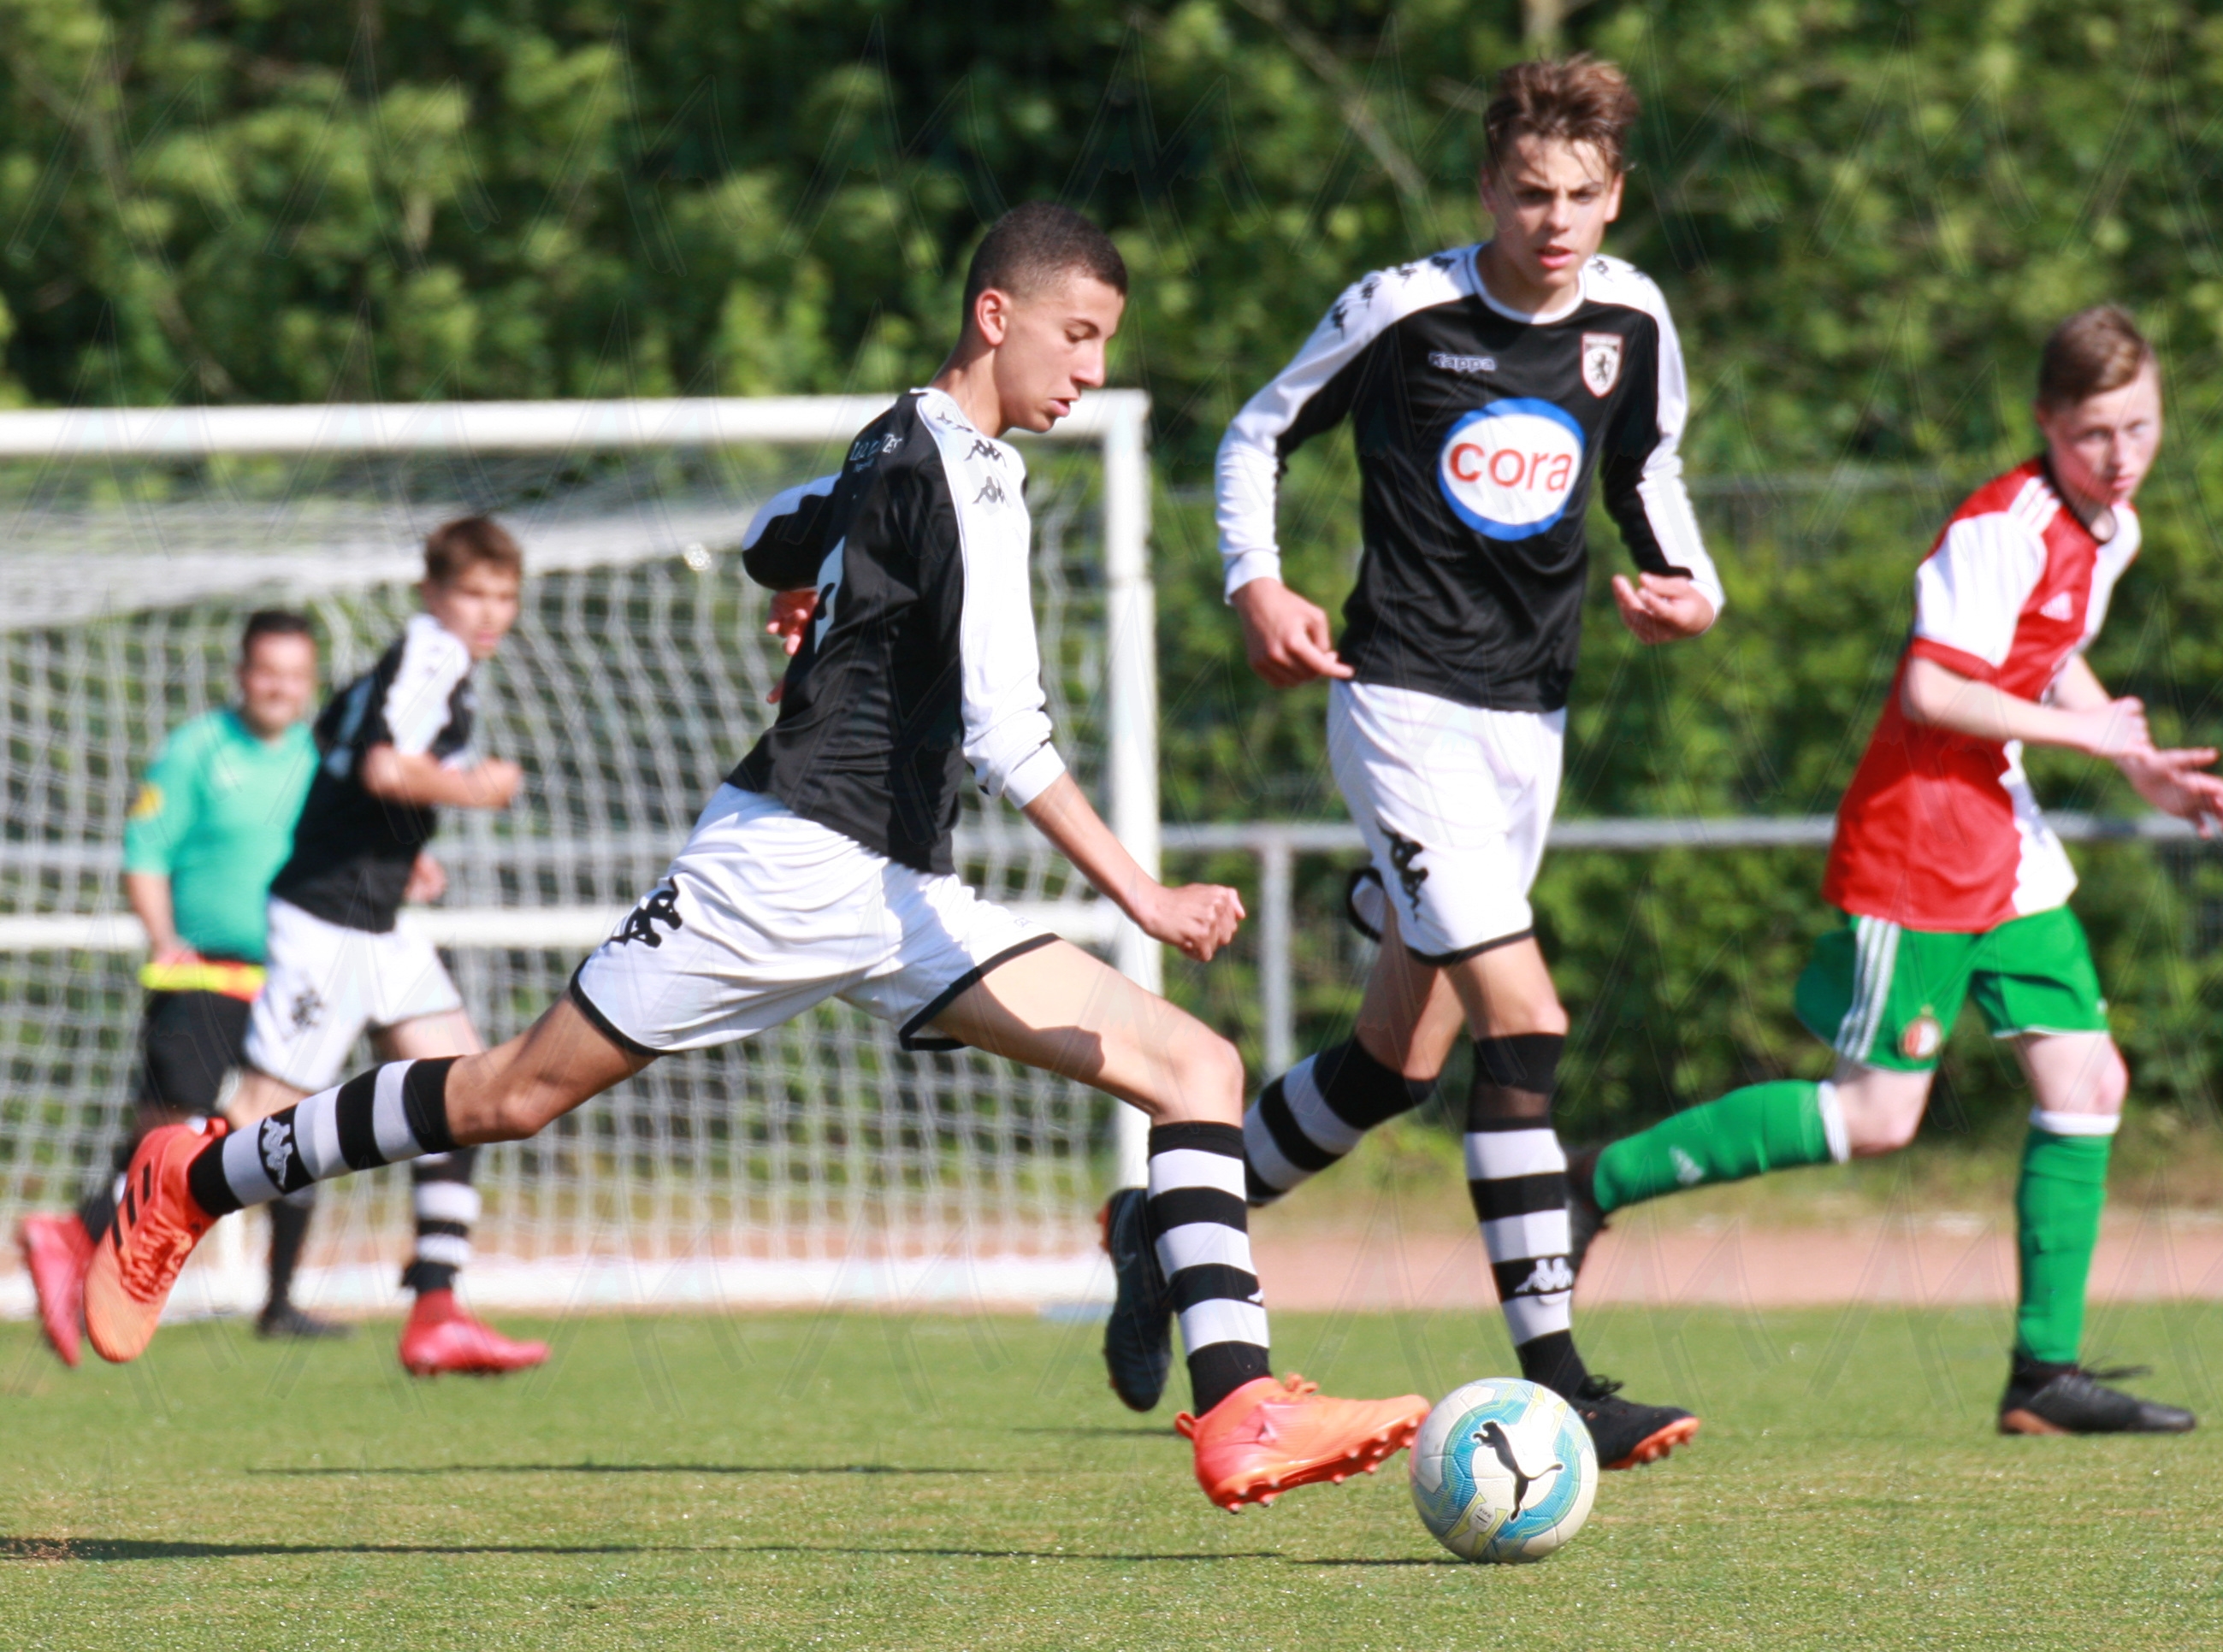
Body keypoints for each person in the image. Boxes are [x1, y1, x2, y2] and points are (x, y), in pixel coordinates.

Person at [81, 202, 1430, 1514]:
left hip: (900, 894)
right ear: (995, 314)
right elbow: (1009, 733)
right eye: (1077, 335)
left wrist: (819, 584)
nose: (1092, 370)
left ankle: (1241, 1405)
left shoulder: (892, 440)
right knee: (509, 1094)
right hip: (780, 868)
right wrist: (1145, 894)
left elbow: (768, 536)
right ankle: (189, 1181)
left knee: (1193, 1069)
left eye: (1104, 345)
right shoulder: (961, 475)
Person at [1098, 55, 1716, 1473]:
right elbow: (1257, 432)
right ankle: (1561, 1380)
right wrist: (1257, 583)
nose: (1554, 221)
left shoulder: (1631, 315)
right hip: (1399, 704)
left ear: (1617, 197)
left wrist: (1692, 585)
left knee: (1398, 1058)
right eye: (1529, 193)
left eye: (1580, 196)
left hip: (1528, 725)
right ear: (1487, 186)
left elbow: (1647, 470)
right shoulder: (1402, 310)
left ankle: (1159, 1224)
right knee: (1526, 1022)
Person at [1562, 306, 2223, 1436]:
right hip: (1920, 835)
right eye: (2093, 434)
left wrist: (2142, 767)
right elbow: (1933, 689)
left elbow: (2051, 657)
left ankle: (2044, 1376)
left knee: (2088, 1084)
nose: (2121, 456)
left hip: (2003, 836)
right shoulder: (2000, 528)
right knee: (1875, 1117)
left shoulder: (2110, 528)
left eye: (2139, 427)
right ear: (2046, 423)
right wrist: (2087, 739)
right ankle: (1592, 1182)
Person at [226, 517, 547, 1377]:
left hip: (375, 920)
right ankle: (92, 1231)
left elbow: (338, 741)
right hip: (330, 925)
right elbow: (382, 769)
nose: (489, 612)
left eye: (503, 596)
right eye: (472, 593)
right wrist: (477, 789)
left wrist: (404, 851)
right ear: (433, 593)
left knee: (468, 1086)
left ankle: (437, 1307)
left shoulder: (417, 663)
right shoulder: (433, 654)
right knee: (256, 1118)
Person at [15, 611, 339, 1362]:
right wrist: (164, 936)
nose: (281, 688)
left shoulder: (320, 759)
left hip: (287, 978)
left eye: (295, 675)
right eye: (268, 672)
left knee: (293, 1122)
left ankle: (278, 1301)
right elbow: (146, 850)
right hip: (202, 976)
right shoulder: (197, 749)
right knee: (173, 1135)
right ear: (243, 674)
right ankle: (75, 1242)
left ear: (310, 681)